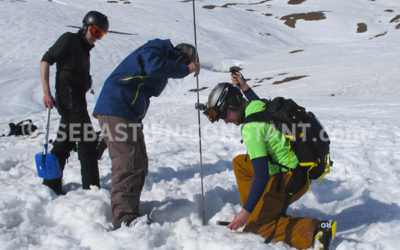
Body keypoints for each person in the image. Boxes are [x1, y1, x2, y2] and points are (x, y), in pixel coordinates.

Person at [201, 73, 336, 249]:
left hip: (291, 180)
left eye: (225, 114)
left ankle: (316, 230)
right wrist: (245, 87)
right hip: (297, 170)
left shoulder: (250, 129)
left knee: (256, 226)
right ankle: (259, 208)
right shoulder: (257, 105)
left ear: (234, 104)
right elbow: (254, 100)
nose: (226, 121)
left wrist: (245, 213)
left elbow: (262, 176)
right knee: (240, 163)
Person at [93, 39, 200, 229]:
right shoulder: (158, 47)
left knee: (139, 164)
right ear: (182, 54)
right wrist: (186, 69)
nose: (182, 68)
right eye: (184, 63)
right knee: (127, 164)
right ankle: (123, 218)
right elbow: (154, 66)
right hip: (116, 107)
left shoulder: (163, 64)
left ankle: (130, 210)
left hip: (128, 115)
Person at [40, 11, 109, 195]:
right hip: (68, 98)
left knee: (63, 143)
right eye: (95, 31)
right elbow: (46, 60)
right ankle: (92, 190)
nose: (96, 37)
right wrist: (46, 92)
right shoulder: (69, 40)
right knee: (87, 141)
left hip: (77, 100)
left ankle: (50, 186)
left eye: (100, 34)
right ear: (86, 26)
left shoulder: (85, 51)